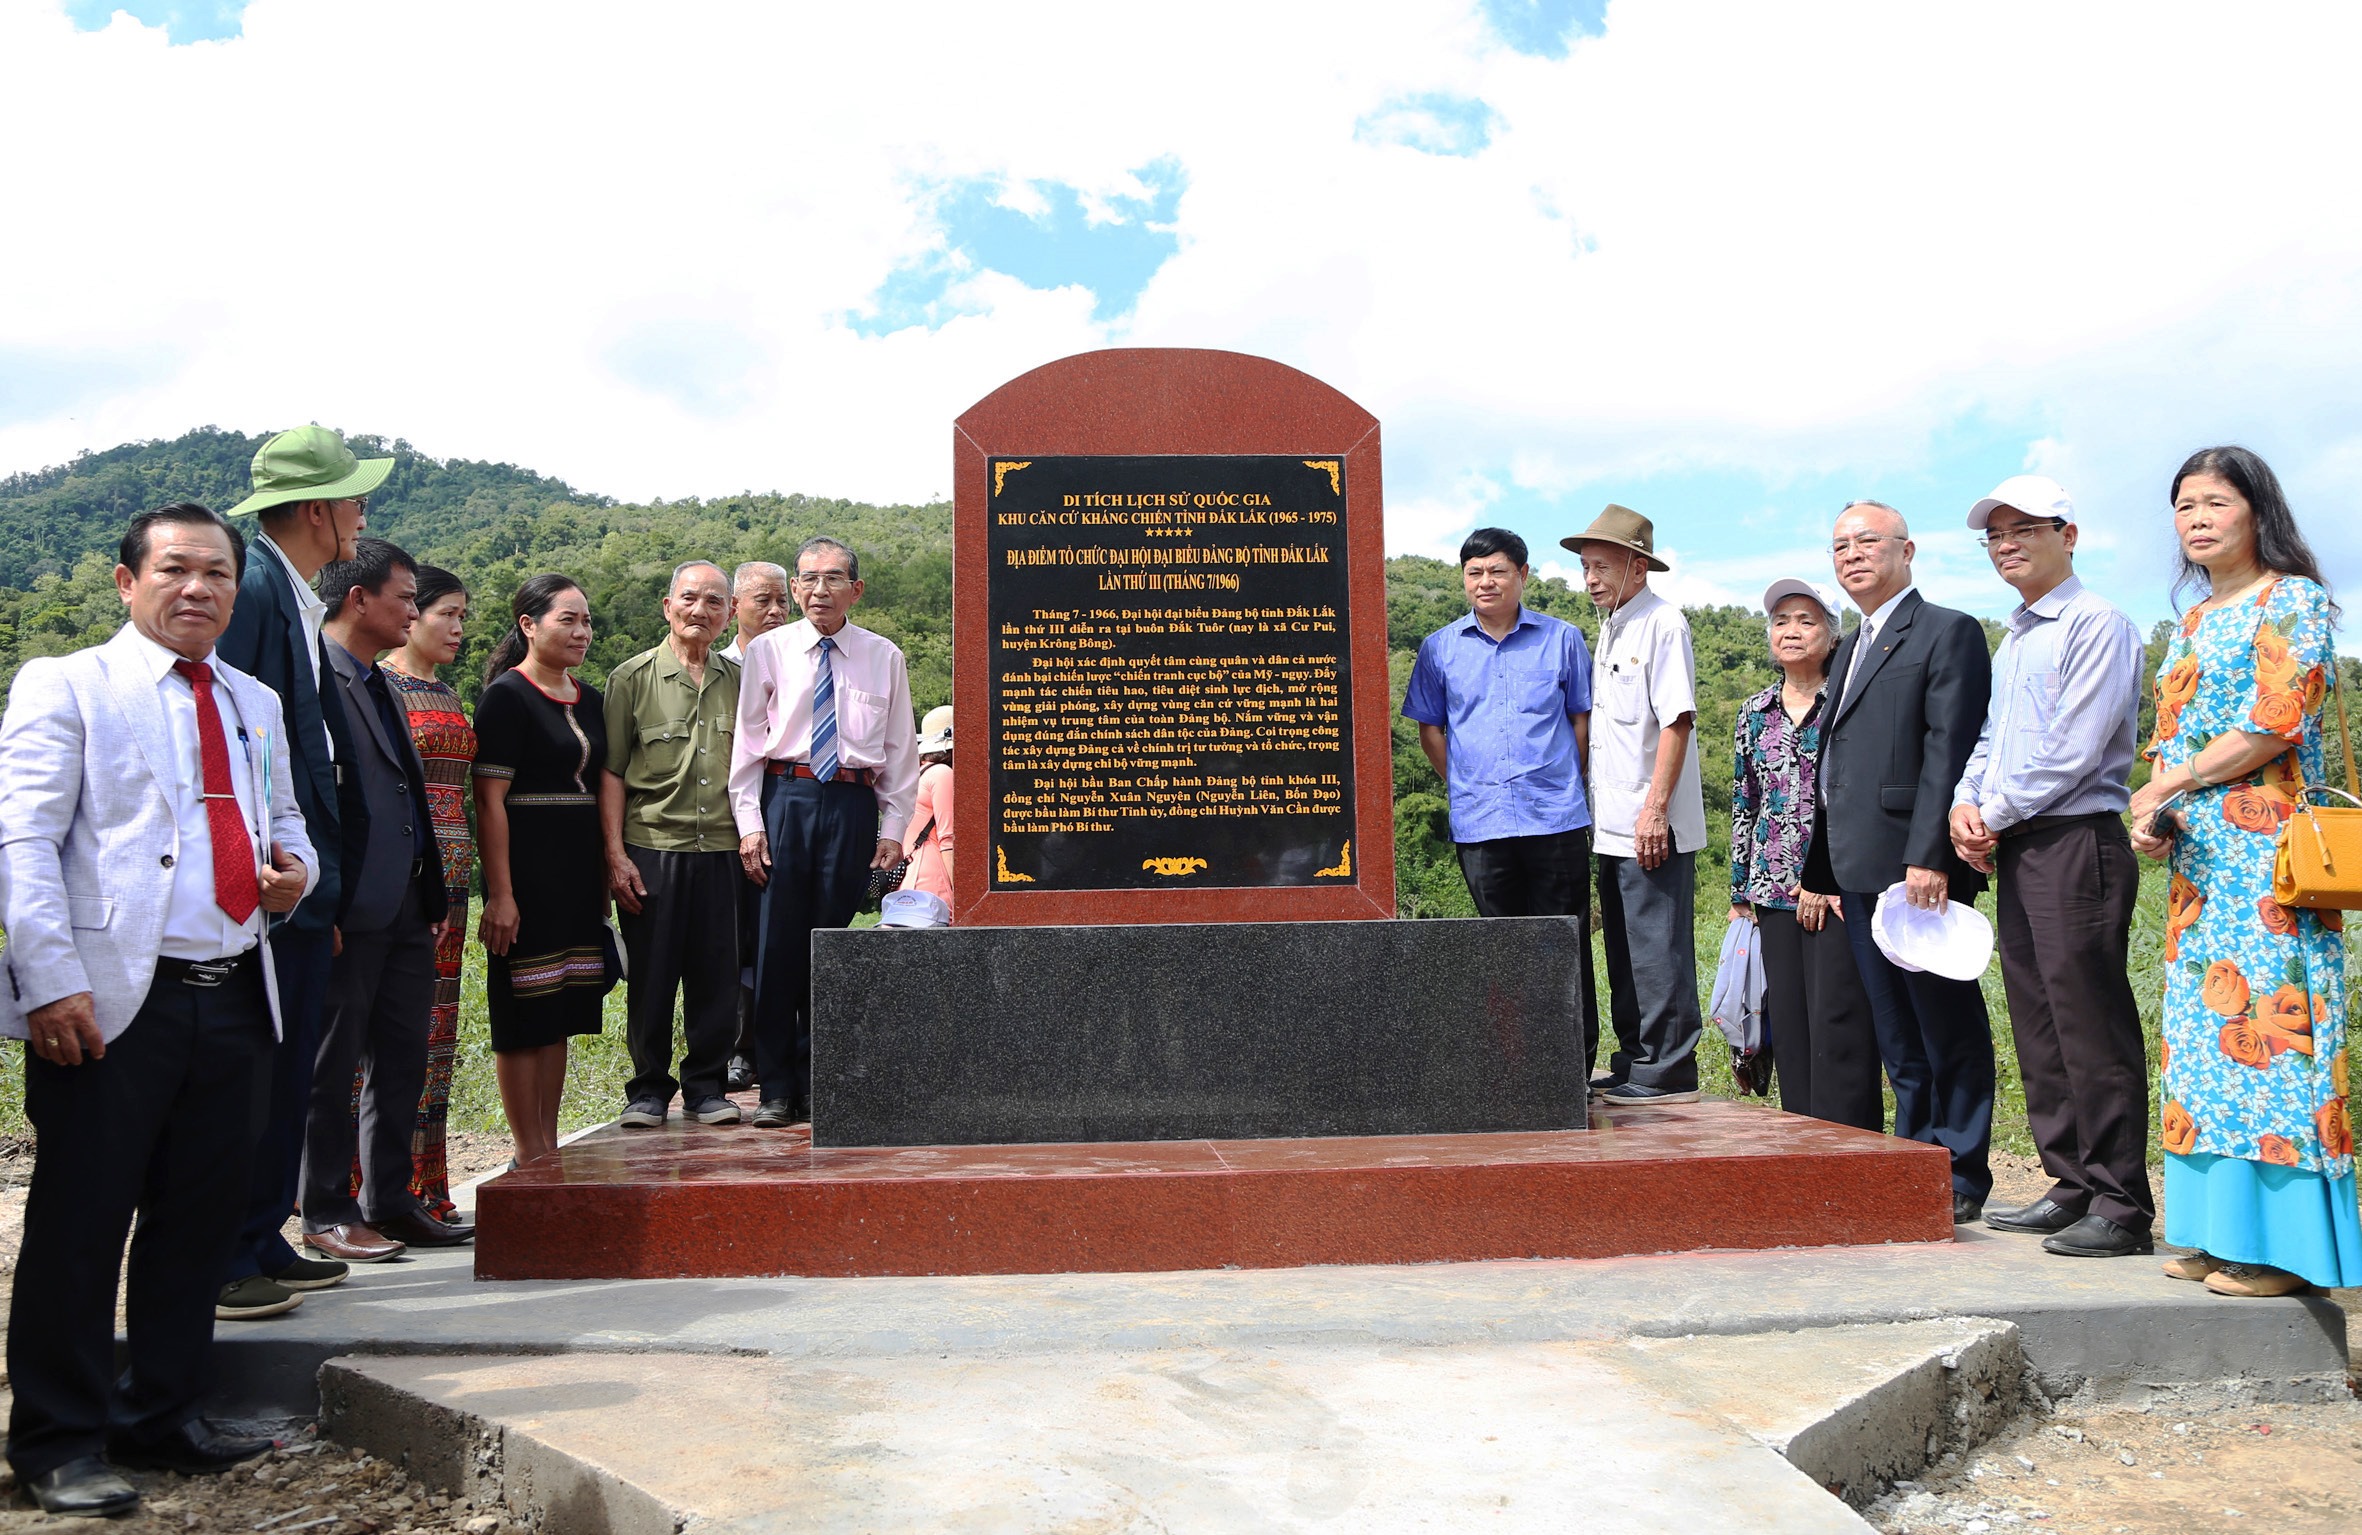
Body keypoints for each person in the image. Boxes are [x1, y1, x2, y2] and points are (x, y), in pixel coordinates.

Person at [0, 504, 315, 1515]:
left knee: (197, 1221)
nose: (199, 588)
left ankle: (166, 1411)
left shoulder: (253, 698)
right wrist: (49, 977)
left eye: (217, 572)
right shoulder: (68, 685)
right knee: (81, 1224)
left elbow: (286, 820)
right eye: (175, 569)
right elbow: (24, 840)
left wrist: (294, 873)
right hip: (110, 1000)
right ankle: (58, 1437)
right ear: (126, 582)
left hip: (231, 989)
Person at [2128, 446, 2360, 1297]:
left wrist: (2175, 781)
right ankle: (2217, 1230)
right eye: (2183, 503)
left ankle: (2285, 1252)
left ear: (2256, 511)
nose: (2196, 517)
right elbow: (2170, 738)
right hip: (2201, 868)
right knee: (2204, 1044)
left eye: (2215, 501)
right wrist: (2155, 817)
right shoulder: (2190, 621)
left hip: (2268, 865)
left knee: (2274, 1040)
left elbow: (2274, 722)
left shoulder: (2292, 599)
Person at [1946, 477, 2151, 1259]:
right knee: (2038, 1020)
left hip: (2076, 840)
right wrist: (1966, 804)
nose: (2007, 544)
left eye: (2023, 529)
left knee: (2088, 1020)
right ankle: (2071, 1181)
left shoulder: (2098, 624)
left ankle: (2122, 1201)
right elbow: (1994, 739)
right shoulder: (2019, 635)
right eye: (1994, 535)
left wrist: (1992, 813)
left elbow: (2074, 748)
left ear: (2068, 533)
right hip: (2022, 843)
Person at [215, 425, 388, 1317]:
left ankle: (259, 1235)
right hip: (271, 883)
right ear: (319, 509)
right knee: (257, 1066)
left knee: (289, 1065)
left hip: (305, 871)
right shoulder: (249, 591)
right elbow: (231, 740)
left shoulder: (284, 589)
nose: (364, 513)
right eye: (356, 497)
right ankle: (226, 1253)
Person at [1803, 500, 1996, 1224]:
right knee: (1896, 1030)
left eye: (1866, 542)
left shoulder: (1947, 631)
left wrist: (1931, 855)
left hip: (1916, 866)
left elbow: (1949, 749)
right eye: (1839, 545)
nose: (1851, 555)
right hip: (1857, 866)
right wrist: (1822, 868)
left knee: (1944, 1021)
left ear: (1907, 550)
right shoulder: (1851, 645)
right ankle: (1916, 1157)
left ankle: (1962, 1167)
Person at [303, 539, 469, 1255]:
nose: (412, 609)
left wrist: (430, 893)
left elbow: (408, 796)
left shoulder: (381, 682)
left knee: (404, 1054)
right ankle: (323, 1209)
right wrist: (325, 902)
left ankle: (391, 1198)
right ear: (358, 598)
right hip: (348, 907)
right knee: (332, 1065)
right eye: (404, 597)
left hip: (407, 904)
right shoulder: (311, 682)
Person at [731, 536, 919, 1128]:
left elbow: (899, 750)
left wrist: (893, 830)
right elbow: (746, 744)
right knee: (776, 947)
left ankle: (821, 1081)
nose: (818, 590)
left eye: (833, 578)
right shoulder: (770, 650)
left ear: (855, 589)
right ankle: (776, 1087)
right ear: (795, 587)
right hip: (785, 798)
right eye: (807, 579)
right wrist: (750, 825)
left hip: (851, 805)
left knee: (830, 943)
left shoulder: (882, 654)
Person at [1400, 527, 1597, 1045]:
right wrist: (1467, 782)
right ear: (1464, 578)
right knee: (1499, 947)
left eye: (1498, 571)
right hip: (1480, 819)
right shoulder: (1439, 648)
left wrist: (1561, 781)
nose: (1486, 582)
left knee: (1565, 942)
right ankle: (1514, 1064)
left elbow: (1582, 721)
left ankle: (1572, 1063)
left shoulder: (1562, 638)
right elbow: (1431, 730)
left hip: (1554, 816)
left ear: (1523, 575)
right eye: (1475, 573)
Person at [1563, 506, 1705, 1105]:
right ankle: (1634, 1058)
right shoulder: (1613, 625)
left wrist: (1655, 810)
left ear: (1639, 565)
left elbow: (1676, 722)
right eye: (1586, 567)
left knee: (1658, 949)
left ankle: (1668, 1069)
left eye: (1603, 566)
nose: (1591, 578)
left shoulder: (1662, 624)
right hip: (1610, 823)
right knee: (1623, 948)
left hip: (1652, 823)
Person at [1727, 578, 1879, 1127]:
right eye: (1780, 621)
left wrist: (1833, 878)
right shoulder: (1755, 712)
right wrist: (1740, 890)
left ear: (1833, 635)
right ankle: (1804, 1146)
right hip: (1771, 890)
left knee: (1839, 1020)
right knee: (1788, 1023)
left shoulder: (1850, 701)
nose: (1790, 631)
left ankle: (1853, 1146)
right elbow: (1745, 799)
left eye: (1806, 620)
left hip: (1839, 887)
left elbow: (1859, 799)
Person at [473, 576, 611, 1167]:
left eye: (586, 621)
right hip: (527, 870)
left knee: (557, 1011)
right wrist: (501, 895)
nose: (581, 632)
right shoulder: (506, 696)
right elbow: (488, 802)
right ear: (529, 624)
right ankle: (526, 1151)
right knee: (521, 1010)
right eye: (567, 620)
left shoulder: (591, 698)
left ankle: (548, 1145)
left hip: (578, 874)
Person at [601, 560, 744, 1128]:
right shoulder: (631, 678)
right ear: (668, 606)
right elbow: (611, 773)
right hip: (652, 847)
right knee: (653, 976)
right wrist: (614, 855)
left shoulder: (741, 681)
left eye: (714, 602)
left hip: (725, 849)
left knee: (718, 975)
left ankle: (707, 1086)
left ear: (728, 612)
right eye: (690, 598)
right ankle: (648, 1090)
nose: (700, 611)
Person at [379, 563, 477, 1219]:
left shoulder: (448, 695)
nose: (459, 628)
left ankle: (427, 1187)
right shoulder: (377, 687)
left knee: (434, 1040)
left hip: (454, 886)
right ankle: (369, 1188)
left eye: (465, 618)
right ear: (410, 613)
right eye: (448, 613)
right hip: (405, 884)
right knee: (385, 1042)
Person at [723, 560, 793, 1087]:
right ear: (733, 608)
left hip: (780, 814)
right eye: (761, 601)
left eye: (781, 603)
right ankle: (735, 1047)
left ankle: (779, 1047)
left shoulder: (799, 660)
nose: (774, 612)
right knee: (731, 940)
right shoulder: (717, 668)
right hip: (719, 824)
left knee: (775, 931)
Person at [906, 705, 955, 903]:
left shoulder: (919, 774)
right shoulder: (942, 774)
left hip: (912, 880)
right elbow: (948, 839)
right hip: (935, 883)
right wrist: (965, 897)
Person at [721, 560, 792, 662]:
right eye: (763, 600)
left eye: (782, 601)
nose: (776, 610)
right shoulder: (720, 669)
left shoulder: (805, 664)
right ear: (735, 604)